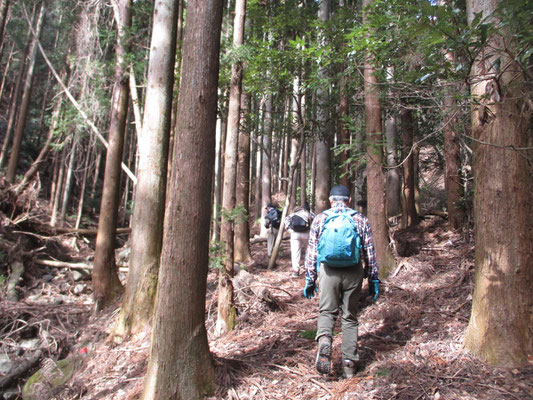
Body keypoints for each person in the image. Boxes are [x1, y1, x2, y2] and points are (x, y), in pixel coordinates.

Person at [303, 185, 379, 379]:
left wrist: (310, 279)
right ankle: (349, 363)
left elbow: (311, 252)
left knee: (327, 311)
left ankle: (325, 341)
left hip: (328, 271)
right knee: (350, 317)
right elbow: (369, 252)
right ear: (349, 200)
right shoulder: (360, 219)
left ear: (330, 200)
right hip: (353, 272)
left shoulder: (320, 219)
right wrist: (373, 279)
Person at [284, 203, 315, 277]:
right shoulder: (310, 213)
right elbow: (315, 222)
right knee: (308, 251)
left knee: (295, 253)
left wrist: (290, 230)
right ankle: (308, 269)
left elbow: (286, 220)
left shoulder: (294, 214)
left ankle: (296, 271)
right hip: (307, 234)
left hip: (295, 234)